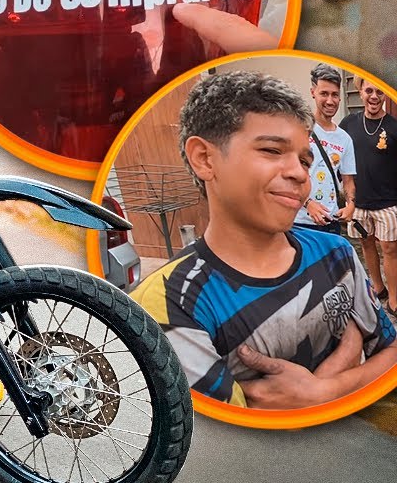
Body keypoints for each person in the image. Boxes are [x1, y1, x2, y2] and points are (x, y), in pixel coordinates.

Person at [130, 71, 396, 409]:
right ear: (205, 159)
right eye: (272, 150)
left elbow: (391, 352)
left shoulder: (337, 253)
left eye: (304, 160)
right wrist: (350, 357)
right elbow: (237, 432)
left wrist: (325, 392)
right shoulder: (168, 304)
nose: (300, 173)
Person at [340, 75, 397, 315]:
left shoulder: (394, 125)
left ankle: (394, 298)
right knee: (366, 243)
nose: (374, 96)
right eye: (369, 91)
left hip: (389, 201)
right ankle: (378, 286)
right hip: (359, 200)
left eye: (379, 92)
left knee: (390, 249)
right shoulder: (348, 123)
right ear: (361, 92)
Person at [294, 63, 355, 234]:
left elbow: (348, 181)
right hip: (299, 221)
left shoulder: (344, 139)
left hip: (331, 220)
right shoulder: (300, 129)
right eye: (324, 94)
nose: (330, 100)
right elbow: (288, 174)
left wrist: (351, 204)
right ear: (313, 92)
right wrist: (308, 203)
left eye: (335, 95)